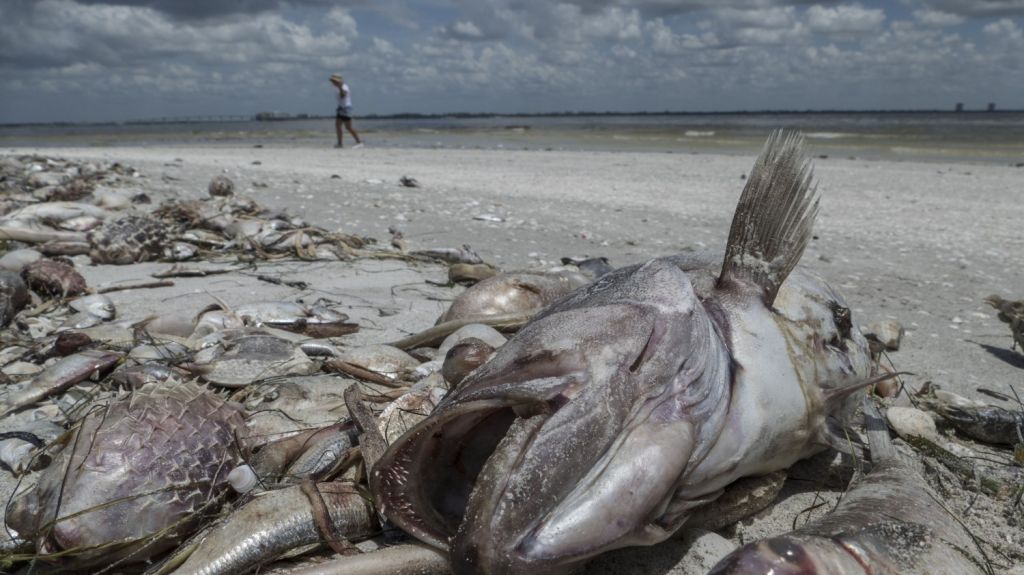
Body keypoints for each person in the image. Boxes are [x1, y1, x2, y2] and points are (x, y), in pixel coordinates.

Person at [329, 73, 363, 148]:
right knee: (338, 125)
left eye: (334, 81)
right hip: (341, 108)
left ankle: (359, 142)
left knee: (348, 127)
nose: (332, 82)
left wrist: (340, 87)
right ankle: (340, 143)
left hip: (346, 108)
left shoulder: (344, 87)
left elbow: (343, 95)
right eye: (332, 81)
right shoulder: (337, 87)